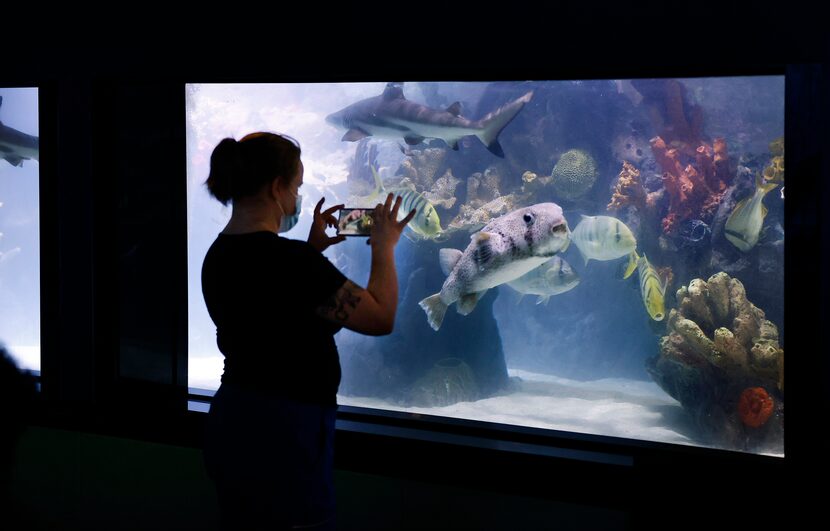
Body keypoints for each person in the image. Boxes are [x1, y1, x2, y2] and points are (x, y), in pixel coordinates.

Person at [200, 132, 414, 530]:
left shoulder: (218, 255)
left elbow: (271, 303)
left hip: (233, 418)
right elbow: (380, 317)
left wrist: (313, 250)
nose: (298, 197)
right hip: (286, 430)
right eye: (297, 185)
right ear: (276, 187)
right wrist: (384, 246)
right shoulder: (293, 262)